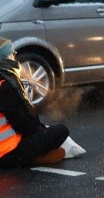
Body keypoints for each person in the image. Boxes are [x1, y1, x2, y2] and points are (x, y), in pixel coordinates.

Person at [0, 38, 69, 168]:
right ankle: (33, 158)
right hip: (6, 153)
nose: (15, 55)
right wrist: (42, 132)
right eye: (12, 53)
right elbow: (26, 125)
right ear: (6, 58)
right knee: (60, 131)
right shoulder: (5, 84)